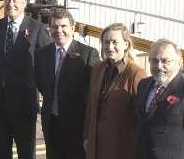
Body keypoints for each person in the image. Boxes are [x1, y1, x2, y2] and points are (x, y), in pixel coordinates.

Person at [0, 0, 52, 159]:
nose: (10, 4)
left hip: (24, 101)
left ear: (24, 2)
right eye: (7, 0)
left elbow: (45, 64)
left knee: (26, 151)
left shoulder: (37, 29)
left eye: (15, 0)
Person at [35, 9, 99, 159]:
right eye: (55, 27)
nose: (59, 30)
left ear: (73, 27)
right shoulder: (42, 54)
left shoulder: (88, 54)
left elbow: (93, 91)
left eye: (63, 26)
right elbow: (41, 83)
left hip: (77, 126)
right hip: (51, 123)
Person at [83, 23, 146, 159]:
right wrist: (87, 136)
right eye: (106, 42)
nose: (109, 47)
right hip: (96, 144)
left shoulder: (136, 74)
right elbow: (90, 104)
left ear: (126, 45)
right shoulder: (98, 68)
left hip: (120, 146)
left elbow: (140, 117)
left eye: (114, 42)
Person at [136, 39, 184, 159]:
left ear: (179, 63)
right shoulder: (143, 85)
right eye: (154, 60)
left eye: (165, 61)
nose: (159, 66)